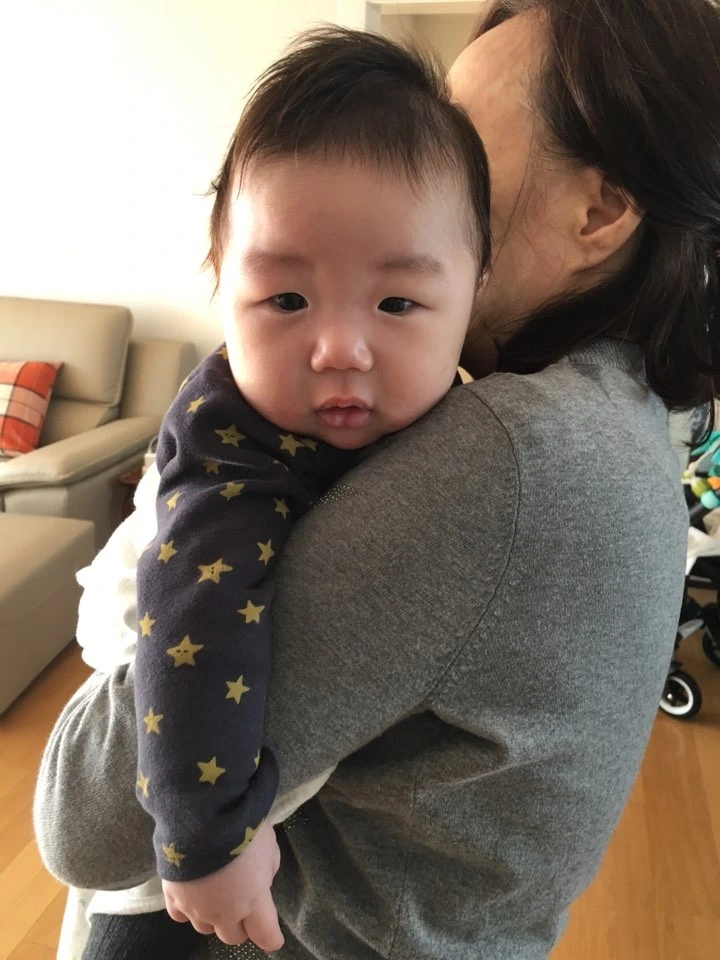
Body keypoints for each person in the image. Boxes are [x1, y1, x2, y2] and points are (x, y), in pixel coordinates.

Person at [34, 1, 720, 958]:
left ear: (600, 211)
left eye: (458, 132)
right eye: (284, 296)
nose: (409, 151)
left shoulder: (511, 457)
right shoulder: (625, 416)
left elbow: (82, 816)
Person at [129, 26, 489, 952]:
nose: (338, 349)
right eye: (285, 300)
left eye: (398, 303)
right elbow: (192, 631)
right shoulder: (232, 451)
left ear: (475, 296)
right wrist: (205, 839)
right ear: (222, 287)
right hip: (184, 869)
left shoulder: (480, 419)